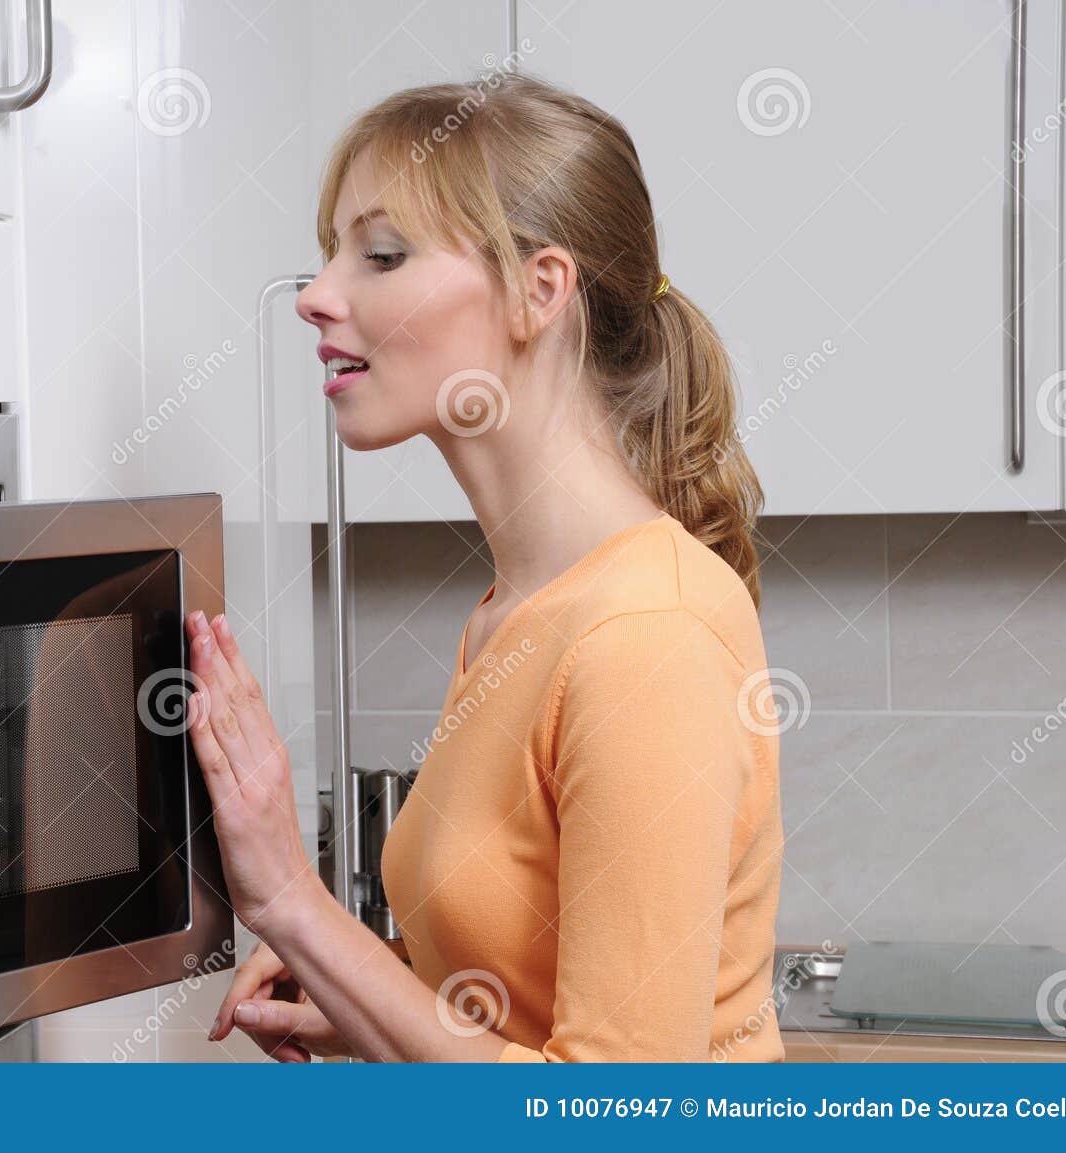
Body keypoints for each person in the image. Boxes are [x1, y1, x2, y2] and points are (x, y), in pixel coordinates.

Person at [183, 70, 784, 1062]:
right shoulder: (517, 609)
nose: (318, 296)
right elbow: (521, 1019)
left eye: (381, 254)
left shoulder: (643, 637)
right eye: (331, 254)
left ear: (536, 291)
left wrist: (295, 903)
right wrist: (361, 992)